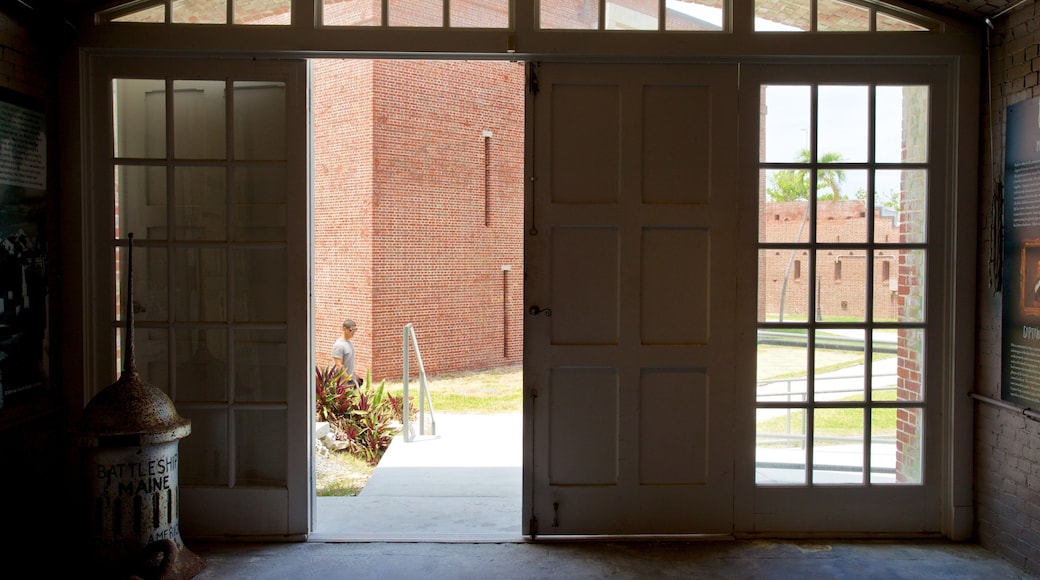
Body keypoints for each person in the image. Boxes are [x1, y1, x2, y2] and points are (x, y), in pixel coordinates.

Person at [331, 319, 361, 387]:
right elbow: (338, 365)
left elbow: (349, 363)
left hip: (352, 381)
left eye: (355, 330)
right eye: (351, 330)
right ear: (344, 329)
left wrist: (354, 376)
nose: (353, 332)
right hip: (343, 384)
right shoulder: (339, 345)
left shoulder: (350, 344)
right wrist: (349, 379)